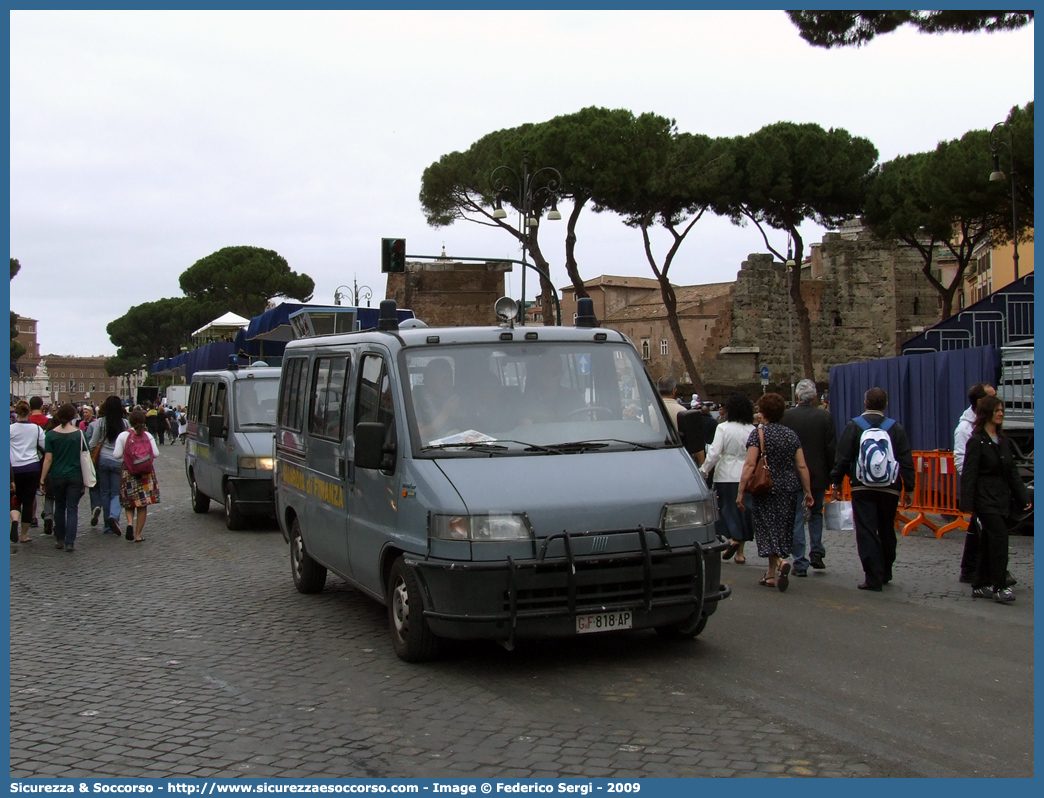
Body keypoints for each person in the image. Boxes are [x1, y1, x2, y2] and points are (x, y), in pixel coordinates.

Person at [830, 387, 915, 591]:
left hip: (862, 486)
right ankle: (886, 569)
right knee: (887, 528)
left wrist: (836, 481)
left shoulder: (854, 426)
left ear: (865, 404)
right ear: (886, 405)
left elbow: (843, 457)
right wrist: (909, 488)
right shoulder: (895, 428)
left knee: (866, 530)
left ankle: (872, 575)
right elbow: (906, 459)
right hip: (890, 487)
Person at [737, 393, 813, 592]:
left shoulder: (758, 434)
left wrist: (741, 490)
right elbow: (802, 466)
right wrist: (807, 491)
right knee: (781, 528)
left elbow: (750, 464)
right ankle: (770, 575)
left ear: (763, 413)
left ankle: (780, 563)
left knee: (766, 527)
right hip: (788, 488)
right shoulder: (791, 435)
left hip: (766, 488)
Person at [959, 396, 1031, 603]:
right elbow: (970, 473)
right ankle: (1000, 585)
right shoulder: (976, 441)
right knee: (1000, 539)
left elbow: (1012, 473)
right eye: (997, 410)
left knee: (989, 542)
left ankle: (980, 583)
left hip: (1001, 498)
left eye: (1002, 410)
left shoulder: (1004, 441)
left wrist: (1023, 497)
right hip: (985, 499)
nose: (1001, 413)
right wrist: (968, 503)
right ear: (987, 413)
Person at [953, 383, 1007, 584]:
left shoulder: (994, 428)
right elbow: (962, 460)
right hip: (981, 490)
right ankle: (988, 573)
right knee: (989, 532)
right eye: (992, 397)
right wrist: (971, 486)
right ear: (980, 402)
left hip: (993, 491)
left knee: (979, 531)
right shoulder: (965, 430)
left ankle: (973, 570)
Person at [781, 379, 836, 576]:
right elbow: (831, 448)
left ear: (797, 396)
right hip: (818, 473)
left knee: (796, 516)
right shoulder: (824, 417)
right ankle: (817, 551)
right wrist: (832, 474)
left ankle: (799, 560)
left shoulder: (787, 416)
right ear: (814, 397)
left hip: (793, 473)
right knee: (816, 513)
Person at [700, 393, 755, 565]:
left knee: (725, 510)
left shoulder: (723, 428)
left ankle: (732, 539)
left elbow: (715, 453)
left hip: (725, 474)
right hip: (746, 474)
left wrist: (703, 470)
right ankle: (740, 553)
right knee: (743, 512)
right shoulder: (752, 430)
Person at [38, 403, 86, 552]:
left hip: (57, 475)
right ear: (73, 416)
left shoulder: (51, 435)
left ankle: (59, 539)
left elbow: (48, 459)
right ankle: (70, 541)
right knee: (72, 509)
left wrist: (42, 478)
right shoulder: (79, 434)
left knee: (59, 507)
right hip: (75, 475)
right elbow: (84, 456)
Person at [113, 409, 161, 542]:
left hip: (129, 471)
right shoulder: (148, 435)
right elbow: (156, 453)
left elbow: (116, 455)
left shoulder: (123, 436)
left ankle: (129, 523)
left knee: (130, 501)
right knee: (142, 504)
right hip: (145, 473)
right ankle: (138, 534)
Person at [88, 395, 130, 535]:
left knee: (104, 493)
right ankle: (114, 516)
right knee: (116, 493)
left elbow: (93, 442)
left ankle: (107, 525)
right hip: (119, 461)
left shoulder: (100, 422)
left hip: (103, 460)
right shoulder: (125, 423)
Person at [9, 400, 45, 543]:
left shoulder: (9, 429)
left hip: (14, 468)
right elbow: (45, 446)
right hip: (32, 467)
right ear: (29, 412)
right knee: (29, 501)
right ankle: (24, 535)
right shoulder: (36, 429)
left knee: (14, 498)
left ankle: (15, 520)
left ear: (16, 413)